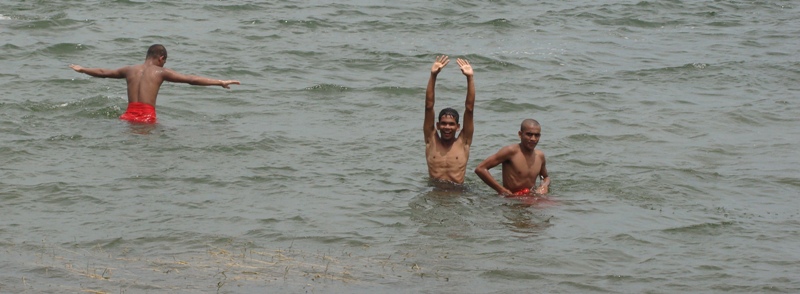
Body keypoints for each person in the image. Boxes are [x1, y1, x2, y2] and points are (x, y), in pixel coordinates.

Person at [69, 44, 240, 124]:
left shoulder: (130, 70)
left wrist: (82, 69)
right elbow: (191, 79)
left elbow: (103, 73)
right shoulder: (160, 72)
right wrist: (220, 82)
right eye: (164, 61)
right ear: (161, 58)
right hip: (147, 117)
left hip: (127, 115)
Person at [424, 55, 475, 184]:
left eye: (451, 124)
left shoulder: (464, 142)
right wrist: (433, 76)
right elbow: (429, 107)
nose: (447, 127)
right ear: (438, 125)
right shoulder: (431, 139)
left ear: (458, 127)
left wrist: (470, 78)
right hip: (435, 190)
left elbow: (469, 109)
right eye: (444, 124)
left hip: (458, 192)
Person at [475, 119, 550, 196]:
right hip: (512, 199)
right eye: (529, 134)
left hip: (531, 197)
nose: (533, 139)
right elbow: (480, 169)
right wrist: (501, 190)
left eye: (537, 135)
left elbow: (545, 177)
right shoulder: (510, 152)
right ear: (520, 134)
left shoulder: (540, 156)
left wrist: (544, 186)